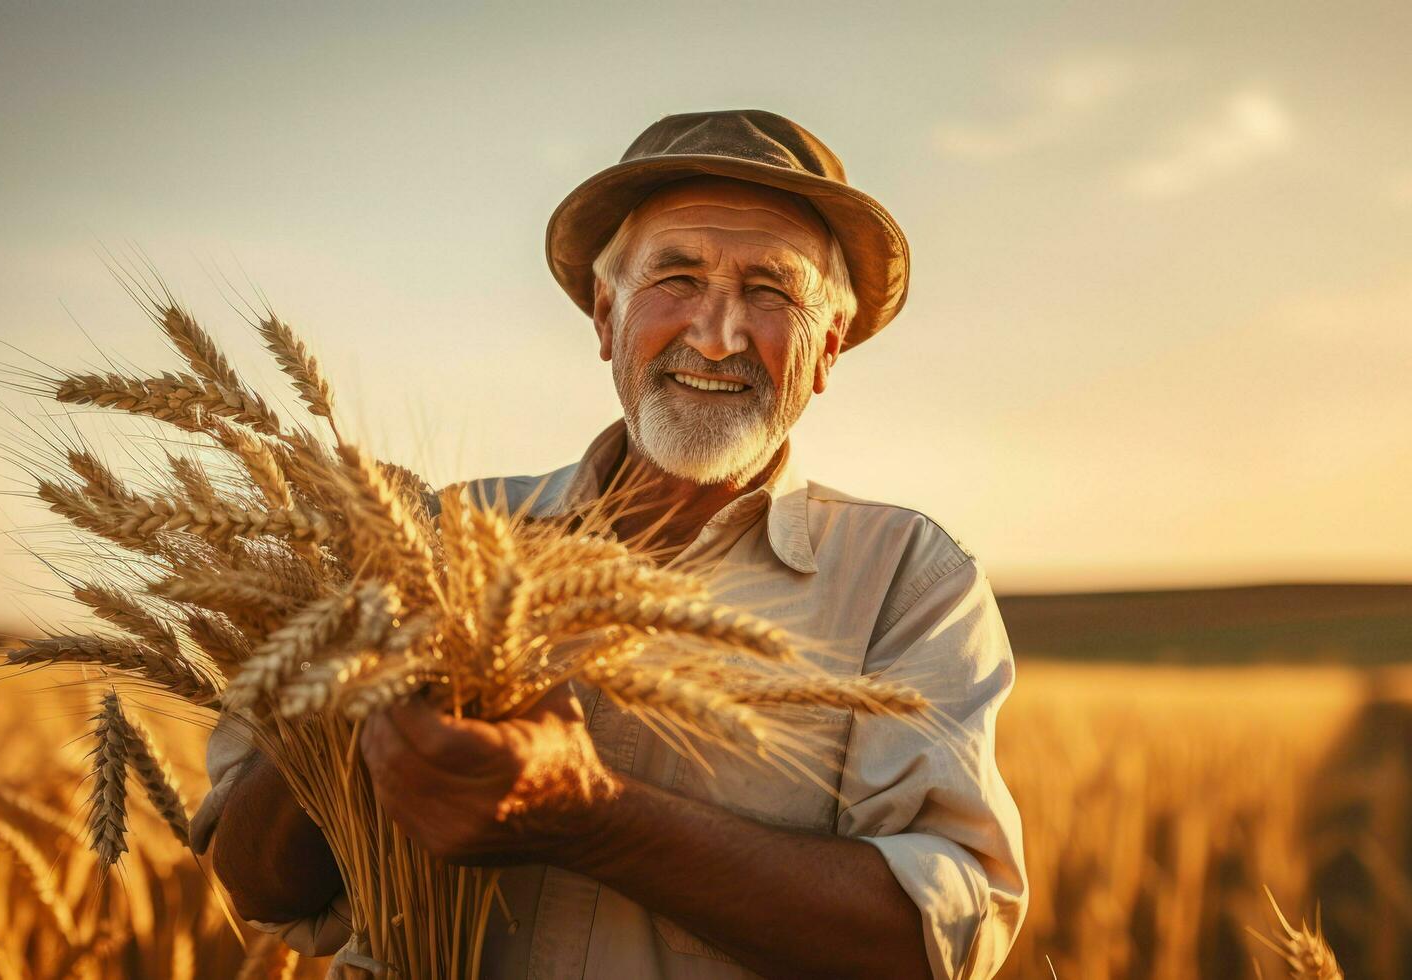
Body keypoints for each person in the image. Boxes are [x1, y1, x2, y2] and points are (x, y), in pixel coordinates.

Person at [189, 109, 1027, 979]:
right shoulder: (432, 541)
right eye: (676, 278)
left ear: (827, 351)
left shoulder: (905, 578)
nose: (717, 333)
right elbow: (256, 884)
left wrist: (587, 814)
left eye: (772, 291)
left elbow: (938, 943)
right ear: (603, 314)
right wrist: (356, 692)